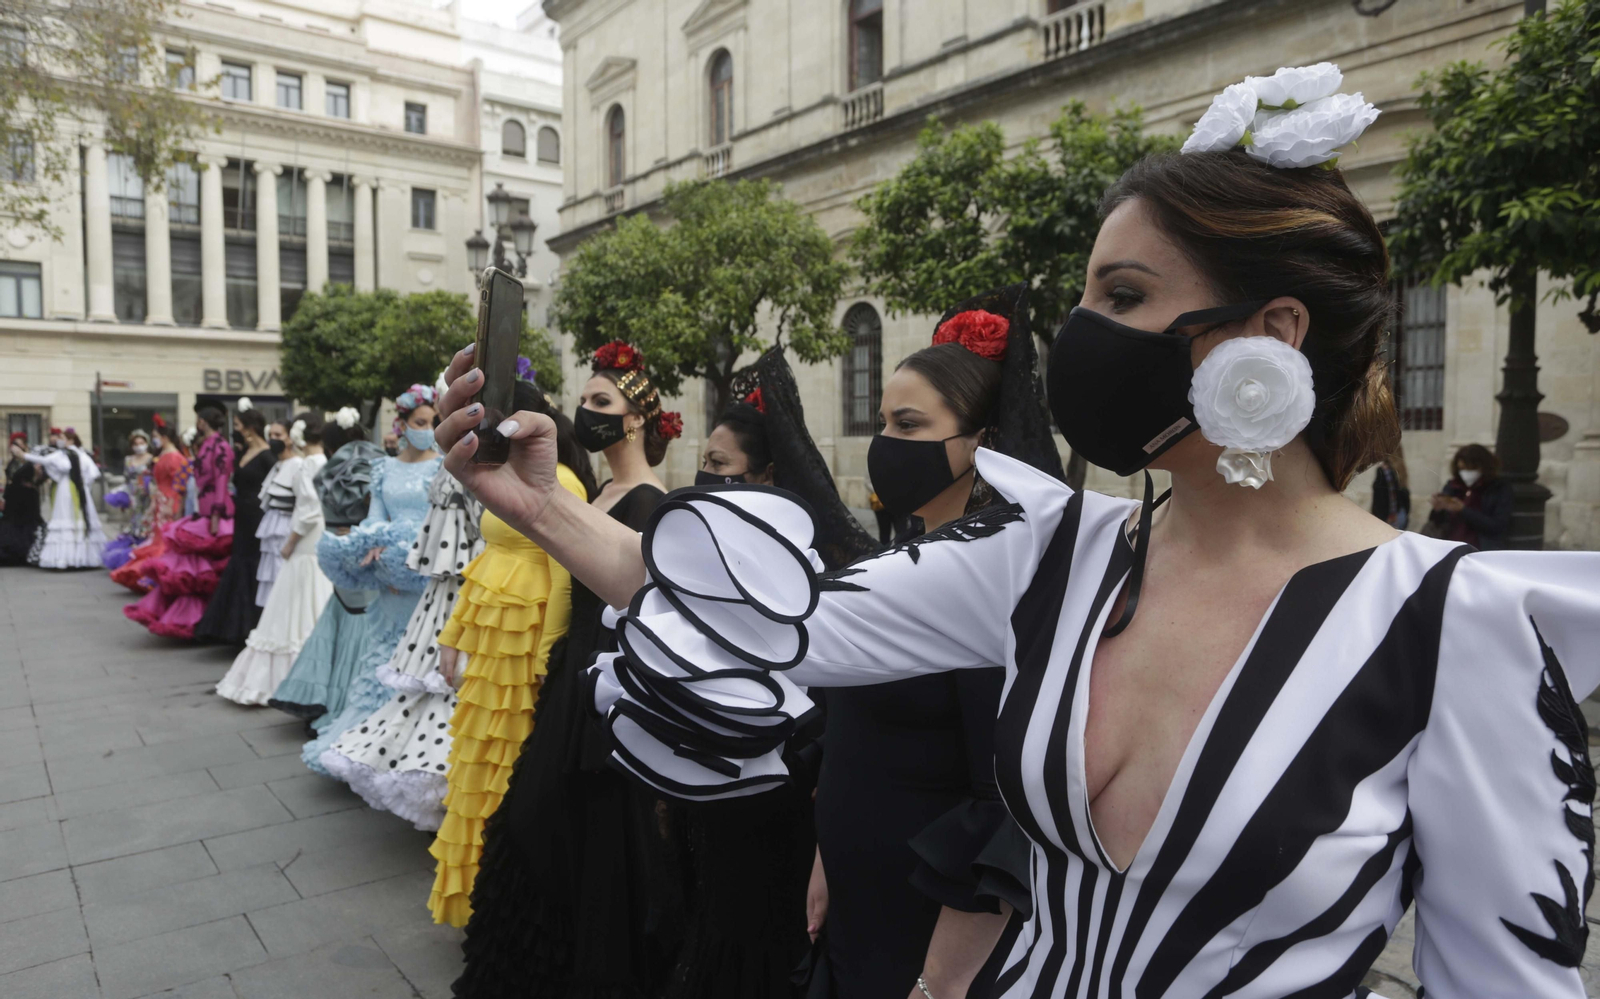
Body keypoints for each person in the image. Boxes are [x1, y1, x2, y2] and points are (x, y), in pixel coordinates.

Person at [437, 67, 1600, 999]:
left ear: (1270, 331)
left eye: (1124, 298)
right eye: (1090, 296)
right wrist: (541, 505)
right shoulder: (1058, 552)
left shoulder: (1462, 629)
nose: (1080, 335)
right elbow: (769, 622)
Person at [803, 287, 1061, 999]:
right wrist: (829, 856)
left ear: (982, 442)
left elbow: (1000, 804)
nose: (885, 441)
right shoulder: (910, 554)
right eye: (884, 420)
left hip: (918, 944)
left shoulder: (992, 582)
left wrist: (937, 981)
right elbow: (856, 732)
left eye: (908, 424)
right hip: (858, 912)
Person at [449, 340, 682, 996]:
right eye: (583, 399)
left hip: (608, 690)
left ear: (637, 418)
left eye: (602, 402)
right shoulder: (603, 488)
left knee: (585, 833)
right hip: (570, 674)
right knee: (538, 827)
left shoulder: (650, 502)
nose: (587, 412)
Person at [674, 347, 886, 999]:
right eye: (703, 463)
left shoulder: (807, 573)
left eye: (719, 466)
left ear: (764, 477)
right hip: (711, 789)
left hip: (773, 797)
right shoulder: (706, 557)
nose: (704, 478)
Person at [422, 379, 596, 925]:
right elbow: (483, 565)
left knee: (510, 769)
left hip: (526, 650)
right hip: (493, 647)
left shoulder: (559, 479)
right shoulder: (503, 475)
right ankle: (477, 894)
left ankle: (507, 904)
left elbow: (566, 576)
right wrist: (453, 635)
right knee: (479, 763)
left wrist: (549, 658)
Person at [300, 386, 442, 776]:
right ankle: (368, 746)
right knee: (383, 658)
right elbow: (374, 521)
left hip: (431, 580)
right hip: (390, 581)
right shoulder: (384, 468)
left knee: (425, 668)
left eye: (433, 423)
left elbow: (444, 526)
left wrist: (413, 558)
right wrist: (377, 550)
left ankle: (414, 755)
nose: (428, 430)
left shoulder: (444, 468)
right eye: (421, 423)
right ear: (403, 423)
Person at [269, 410, 383, 727]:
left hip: (338, 551)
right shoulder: (380, 465)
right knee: (363, 623)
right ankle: (354, 700)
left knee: (344, 617)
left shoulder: (328, 471)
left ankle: (330, 696)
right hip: (370, 552)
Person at [216, 414, 333, 706]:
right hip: (321, 538)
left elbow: (308, 510)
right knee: (314, 598)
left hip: (306, 541)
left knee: (294, 603)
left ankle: (285, 677)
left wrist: (289, 542)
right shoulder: (327, 463)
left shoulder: (307, 465)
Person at [132, 405, 234, 640]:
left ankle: (211, 620)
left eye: (199, 419)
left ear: (205, 421)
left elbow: (221, 481)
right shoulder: (207, 444)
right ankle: (195, 618)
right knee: (193, 571)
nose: (197, 423)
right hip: (201, 511)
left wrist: (216, 516)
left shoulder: (219, 445)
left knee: (206, 570)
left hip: (214, 514)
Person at [196, 401, 277, 643]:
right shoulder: (243, 452)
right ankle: (235, 626)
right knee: (239, 564)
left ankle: (253, 624)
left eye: (240, 425)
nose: (236, 429)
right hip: (241, 515)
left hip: (257, 516)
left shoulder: (267, 455)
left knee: (253, 566)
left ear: (251, 427)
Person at [116, 418, 189, 597]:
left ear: (164, 437)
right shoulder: (165, 454)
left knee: (164, 539)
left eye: (155, 436)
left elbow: (181, 484)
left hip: (169, 501)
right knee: (158, 537)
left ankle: (160, 574)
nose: (154, 440)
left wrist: (174, 505)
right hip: (160, 500)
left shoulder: (173, 456)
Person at [22, 427, 106, 569]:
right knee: (75, 520)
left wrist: (23, 455)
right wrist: (84, 485)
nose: (59, 440)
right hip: (77, 490)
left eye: (62, 438)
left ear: (70, 440)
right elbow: (92, 474)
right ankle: (80, 557)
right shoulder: (80, 454)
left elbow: (52, 463)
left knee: (69, 518)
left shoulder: (67, 454)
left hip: (67, 489)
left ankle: (68, 558)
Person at [253, 419, 301, 608]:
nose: (273, 439)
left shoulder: (298, 464)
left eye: (278, 435)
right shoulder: (278, 465)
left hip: (287, 527)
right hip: (272, 527)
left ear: (290, 438)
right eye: (271, 435)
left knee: (283, 575)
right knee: (271, 575)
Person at [1428, 443, 1512, 549]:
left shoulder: (1497, 488)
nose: (1465, 473)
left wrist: (1463, 510)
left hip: (1482, 548)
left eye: (1470, 469)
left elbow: (1497, 525)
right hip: (1451, 547)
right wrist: (1438, 508)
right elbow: (1438, 523)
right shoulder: (1453, 486)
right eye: (1462, 469)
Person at [102, 429, 154, 571]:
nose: (139, 446)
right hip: (133, 496)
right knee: (132, 524)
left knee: (145, 524)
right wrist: (124, 497)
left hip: (148, 496)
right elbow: (126, 479)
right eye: (136, 443)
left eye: (141, 443)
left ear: (147, 443)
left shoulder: (152, 459)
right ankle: (131, 555)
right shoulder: (128, 460)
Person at [0, 434, 45, 566]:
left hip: (27, 498)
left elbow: (39, 480)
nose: (15, 448)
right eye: (13, 445)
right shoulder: (12, 462)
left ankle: (27, 553)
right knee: (10, 525)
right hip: (13, 497)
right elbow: (10, 478)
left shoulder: (31, 461)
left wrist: (35, 479)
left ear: (24, 446)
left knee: (27, 525)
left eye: (18, 445)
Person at [1370, 447, 1410, 531]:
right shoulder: (1401, 469)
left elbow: (1385, 497)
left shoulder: (1383, 470)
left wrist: (1385, 516)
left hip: (1389, 517)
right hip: (1401, 515)